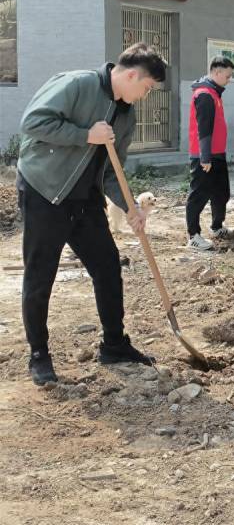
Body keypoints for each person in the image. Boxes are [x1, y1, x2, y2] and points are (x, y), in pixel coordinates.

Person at [16, 42, 167, 385]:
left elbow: (111, 171)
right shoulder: (77, 85)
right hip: (45, 191)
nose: (145, 96)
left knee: (108, 266)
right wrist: (85, 135)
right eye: (146, 88)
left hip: (85, 200)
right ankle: (39, 353)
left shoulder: (126, 114)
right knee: (41, 275)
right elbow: (33, 122)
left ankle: (114, 344)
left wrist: (129, 206)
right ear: (131, 75)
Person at [185, 56, 234, 250]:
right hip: (204, 155)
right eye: (228, 76)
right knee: (199, 194)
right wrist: (205, 157)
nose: (229, 80)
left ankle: (217, 226)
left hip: (217, 153)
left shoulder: (214, 92)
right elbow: (203, 128)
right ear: (216, 72)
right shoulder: (205, 94)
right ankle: (193, 236)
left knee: (221, 192)